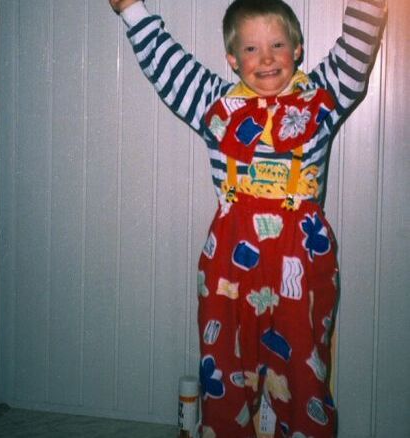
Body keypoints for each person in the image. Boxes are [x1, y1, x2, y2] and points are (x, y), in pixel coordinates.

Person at [108, 0, 387, 437]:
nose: (267, 58)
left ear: (297, 49)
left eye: (277, 45)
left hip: (301, 263)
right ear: (233, 59)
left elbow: (355, 51)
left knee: (304, 369)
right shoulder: (216, 104)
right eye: (252, 49)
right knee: (224, 365)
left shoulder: (321, 100)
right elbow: (168, 66)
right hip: (229, 268)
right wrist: (130, 9)